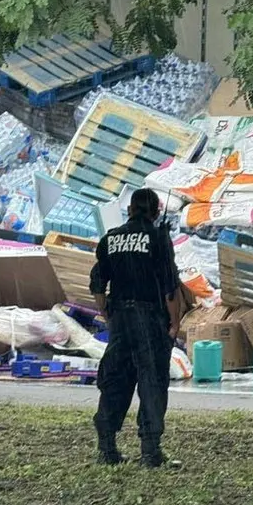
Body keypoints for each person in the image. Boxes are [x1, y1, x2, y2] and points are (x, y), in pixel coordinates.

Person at [90, 188, 183, 468]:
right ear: (155, 212)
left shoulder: (111, 238)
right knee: (152, 381)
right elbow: (170, 287)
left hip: (120, 319)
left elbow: (97, 282)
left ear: (129, 210)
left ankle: (107, 447)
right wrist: (175, 323)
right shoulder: (158, 238)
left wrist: (107, 313)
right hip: (149, 318)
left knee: (116, 380)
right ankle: (150, 451)